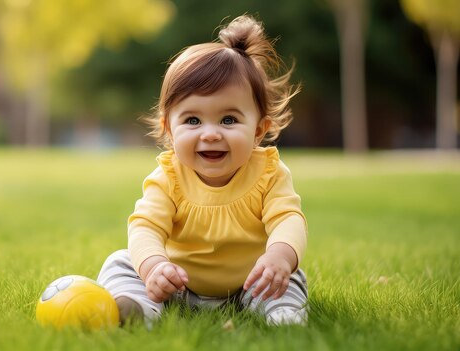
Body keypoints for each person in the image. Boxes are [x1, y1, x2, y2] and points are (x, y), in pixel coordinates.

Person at [97, 14, 308, 327]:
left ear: (258, 131)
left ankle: (283, 317)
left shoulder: (268, 173)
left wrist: (280, 255)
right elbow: (145, 228)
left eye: (228, 120)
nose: (210, 133)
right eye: (193, 121)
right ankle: (139, 309)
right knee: (122, 262)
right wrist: (155, 267)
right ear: (169, 129)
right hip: (176, 283)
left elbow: (288, 219)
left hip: (248, 283)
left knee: (286, 276)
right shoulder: (168, 177)